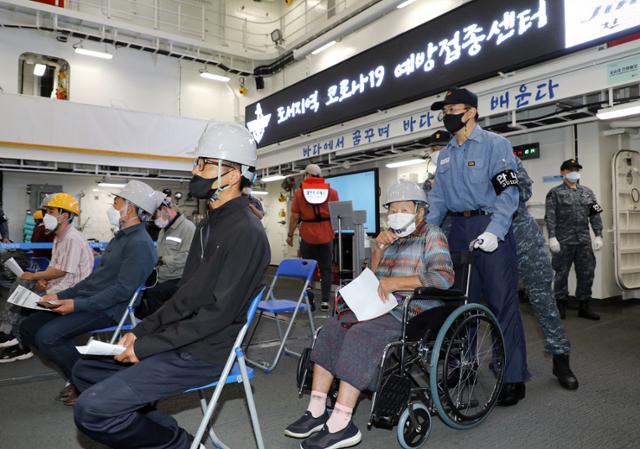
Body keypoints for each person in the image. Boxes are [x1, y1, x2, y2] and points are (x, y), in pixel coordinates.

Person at [71, 122, 270, 449]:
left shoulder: (247, 233)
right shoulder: (210, 223)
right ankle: (158, 430)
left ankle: (179, 444)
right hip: (184, 339)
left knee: (92, 410)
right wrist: (143, 331)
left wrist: (146, 347)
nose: (196, 170)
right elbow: (187, 294)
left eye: (205, 163)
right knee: (86, 368)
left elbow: (215, 317)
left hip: (205, 352)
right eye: (197, 162)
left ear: (233, 175)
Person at [285, 180, 453, 449]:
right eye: (392, 209)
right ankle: (316, 410)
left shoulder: (432, 235)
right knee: (333, 327)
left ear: (420, 211)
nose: (397, 214)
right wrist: (377, 251)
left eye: (404, 208)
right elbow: (375, 278)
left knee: (361, 334)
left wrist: (396, 283)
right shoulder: (390, 238)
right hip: (379, 306)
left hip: (414, 310)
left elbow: (444, 277)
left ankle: (341, 423)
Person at [427, 87, 529, 406]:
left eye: (452, 109)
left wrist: (496, 231)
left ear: (470, 112)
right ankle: (464, 364)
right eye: (443, 110)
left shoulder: (496, 145)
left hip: (490, 230)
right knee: (460, 304)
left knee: (502, 305)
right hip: (458, 231)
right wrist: (424, 232)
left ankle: (511, 374)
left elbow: (508, 194)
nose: (447, 115)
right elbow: (438, 201)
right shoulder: (445, 155)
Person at [18, 180, 159, 404]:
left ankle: (89, 383)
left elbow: (122, 291)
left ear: (129, 208)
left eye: (117, 201)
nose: (113, 206)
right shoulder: (120, 238)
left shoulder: (140, 244)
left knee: (48, 337)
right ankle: (79, 377)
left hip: (109, 308)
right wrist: (61, 296)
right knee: (28, 327)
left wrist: (76, 304)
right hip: (92, 300)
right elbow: (94, 280)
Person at [0, 193, 94, 364]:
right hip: (62, 284)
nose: (46, 215)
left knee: (25, 291)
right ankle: (13, 336)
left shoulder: (72, 238)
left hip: (74, 291)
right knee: (23, 288)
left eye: (51, 211)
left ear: (64, 215)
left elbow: (62, 271)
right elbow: (55, 267)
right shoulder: (59, 236)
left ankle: (16, 339)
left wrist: (37, 277)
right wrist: (45, 280)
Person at [512, 160, 578, 390]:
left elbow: (523, 190)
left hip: (521, 233)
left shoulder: (503, 155)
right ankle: (508, 365)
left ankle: (561, 359)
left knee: (543, 298)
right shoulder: (459, 160)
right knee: (496, 303)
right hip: (486, 235)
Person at [545, 159, 603, 321]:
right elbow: (550, 217)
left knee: (587, 273)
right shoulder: (554, 193)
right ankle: (560, 305)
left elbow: (595, 214)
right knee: (561, 273)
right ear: (563, 172)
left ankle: (584, 306)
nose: (575, 172)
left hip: (583, 241)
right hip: (563, 241)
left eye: (577, 169)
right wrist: (552, 237)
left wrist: (598, 234)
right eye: (571, 169)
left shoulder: (588, 192)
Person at [287, 164, 339, 311]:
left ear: (308, 175)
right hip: (326, 236)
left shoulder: (299, 193)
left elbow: (295, 217)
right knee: (326, 269)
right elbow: (336, 215)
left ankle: (309, 298)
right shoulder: (332, 192)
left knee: (307, 268)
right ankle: (324, 302)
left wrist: (290, 235)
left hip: (307, 236)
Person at [137, 195, 196, 318]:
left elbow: (190, 257)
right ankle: (151, 323)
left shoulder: (188, 228)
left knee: (154, 292)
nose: (154, 220)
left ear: (165, 209)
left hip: (179, 278)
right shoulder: (164, 230)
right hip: (162, 276)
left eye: (155, 216)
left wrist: (164, 259)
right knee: (138, 291)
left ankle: (161, 328)